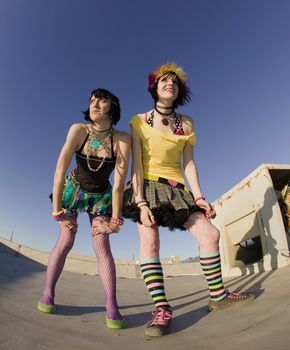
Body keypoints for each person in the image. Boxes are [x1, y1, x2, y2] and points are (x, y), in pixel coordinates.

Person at [123, 63, 255, 337]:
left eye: (174, 81)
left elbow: (190, 165)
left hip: (178, 189)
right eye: (164, 80)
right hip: (147, 186)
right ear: (154, 87)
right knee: (149, 242)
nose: (169, 83)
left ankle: (217, 296)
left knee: (210, 233)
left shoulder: (187, 123)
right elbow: (136, 164)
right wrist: (139, 201)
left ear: (180, 89)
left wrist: (200, 197)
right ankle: (161, 308)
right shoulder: (138, 120)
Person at [37, 88, 130, 330]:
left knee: (101, 244)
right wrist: (57, 211)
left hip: (101, 197)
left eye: (101, 100)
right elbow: (59, 169)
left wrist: (115, 222)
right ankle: (48, 293)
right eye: (91, 100)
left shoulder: (122, 139)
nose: (95, 104)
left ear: (113, 107)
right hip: (74, 190)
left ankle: (112, 306)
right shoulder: (78, 130)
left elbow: (119, 184)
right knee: (66, 237)